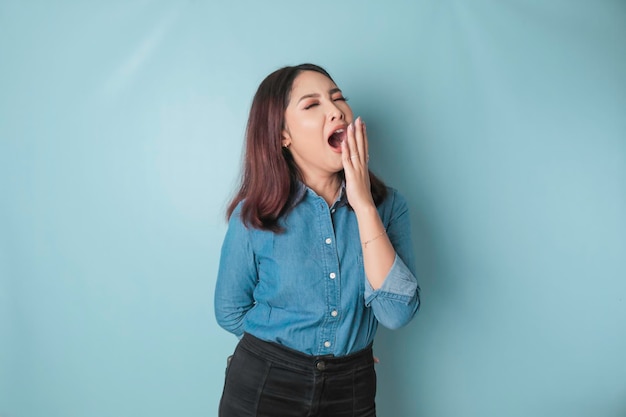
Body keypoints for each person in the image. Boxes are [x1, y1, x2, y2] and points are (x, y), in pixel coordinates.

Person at [214, 63, 420, 417]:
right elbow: (230, 310)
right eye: (312, 105)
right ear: (283, 136)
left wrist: (364, 205)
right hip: (263, 386)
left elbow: (397, 313)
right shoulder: (254, 215)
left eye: (338, 99)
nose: (336, 110)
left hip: (351, 388)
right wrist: (291, 358)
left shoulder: (389, 208)